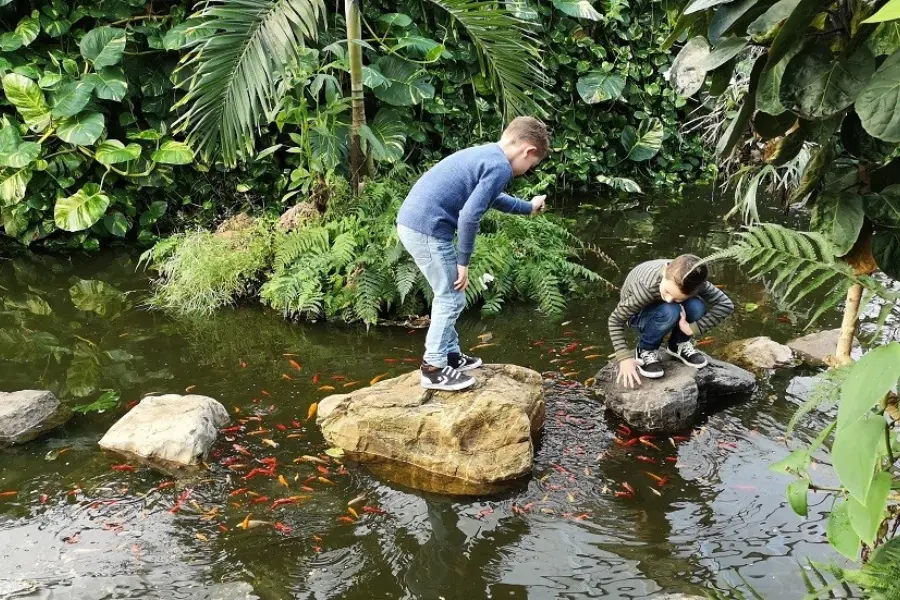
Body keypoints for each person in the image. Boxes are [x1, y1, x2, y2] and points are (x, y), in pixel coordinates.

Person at [397, 117, 551, 391]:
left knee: (449, 294)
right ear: (527, 151)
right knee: (451, 296)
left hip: (415, 224)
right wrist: (463, 261)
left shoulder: (488, 154)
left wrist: (528, 207)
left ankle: (451, 356)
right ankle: (433, 368)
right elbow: (469, 216)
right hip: (427, 230)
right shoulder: (500, 167)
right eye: (532, 165)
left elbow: (492, 199)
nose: (528, 170)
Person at [609, 255, 734, 389]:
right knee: (670, 309)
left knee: (697, 306)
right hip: (637, 314)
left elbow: (726, 305)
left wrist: (693, 328)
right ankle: (646, 349)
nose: (668, 298)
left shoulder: (697, 283)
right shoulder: (646, 288)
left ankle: (677, 344)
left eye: (677, 298)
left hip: (663, 309)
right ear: (664, 272)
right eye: (668, 291)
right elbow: (615, 320)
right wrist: (624, 358)